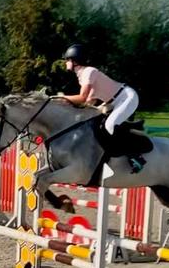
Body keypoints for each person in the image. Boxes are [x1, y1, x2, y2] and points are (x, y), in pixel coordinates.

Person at [62, 43, 144, 173]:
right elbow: (89, 101)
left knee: (110, 125)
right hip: (113, 101)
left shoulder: (89, 72)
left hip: (127, 97)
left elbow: (82, 97)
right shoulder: (83, 75)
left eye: (67, 60)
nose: (65, 63)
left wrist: (61, 98)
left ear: (73, 60)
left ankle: (136, 157)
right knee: (95, 120)